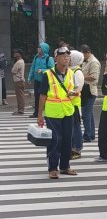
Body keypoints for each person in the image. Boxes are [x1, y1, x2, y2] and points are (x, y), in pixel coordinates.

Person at [37, 46, 77, 179]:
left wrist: (75, 94)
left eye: (67, 56)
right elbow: (42, 96)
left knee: (67, 139)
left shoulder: (71, 73)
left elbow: (74, 90)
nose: (66, 58)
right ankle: (53, 168)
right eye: (63, 56)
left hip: (68, 111)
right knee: (55, 140)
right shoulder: (47, 74)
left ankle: (65, 166)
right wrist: (39, 115)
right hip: (53, 112)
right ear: (56, 58)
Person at [80, 44, 101, 142]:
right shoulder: (85, 61)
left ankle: (87, 135)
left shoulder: (94, 62)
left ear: (87, 52)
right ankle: (91, 133)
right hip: (85, 89)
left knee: (86, 114)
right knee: (89, 113)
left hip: (90, 90)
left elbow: (94, 77)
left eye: (83, 54)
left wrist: (81, 77)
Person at [28, 43, 55, 117]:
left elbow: (52, 70)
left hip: (45, 81)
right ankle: (36, 113)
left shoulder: (49, 58)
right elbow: (33, 68)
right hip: (37, 81)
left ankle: (47, 113)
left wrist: (42, 70)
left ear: (44, 49)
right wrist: (30, 77)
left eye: (40, 47)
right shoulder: (36, 57)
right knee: (37, 97)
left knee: (45, 97)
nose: (38, 48)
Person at [69, 50, 85, 160]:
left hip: (74, 104)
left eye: (70, 57)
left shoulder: (78, 72)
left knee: (76, 127)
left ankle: (77, 148)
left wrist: (66, 96)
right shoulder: (71, 70)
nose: (67, 59)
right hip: (69, 104)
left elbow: (77, 90)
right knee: (71, 127)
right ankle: (72, 148)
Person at [11, 49, 26, 115]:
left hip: (18, 81)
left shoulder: (19, 62)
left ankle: (20, 110)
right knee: (20, 96)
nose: (14, 53)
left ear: (19, 54)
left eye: (16, 52)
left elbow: (13, 71)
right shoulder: (21, 61)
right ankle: (20, 110)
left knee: (20, 96)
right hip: (20, 81)